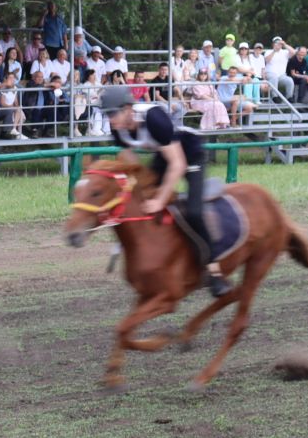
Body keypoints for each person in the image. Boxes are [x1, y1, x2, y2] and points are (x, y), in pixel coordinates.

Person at [97, 83, 231, 297]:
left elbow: (177, 164)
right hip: (164, 154)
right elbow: (131, 161)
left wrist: (159, 200)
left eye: (113, 113)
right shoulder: (117, 129)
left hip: (190, 152)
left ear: (129, 109)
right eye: (107, 114)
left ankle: (214, 272)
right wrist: (137, 189)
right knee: (140, 199)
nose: (110, 119)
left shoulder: (154, 119)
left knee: (194, 212)